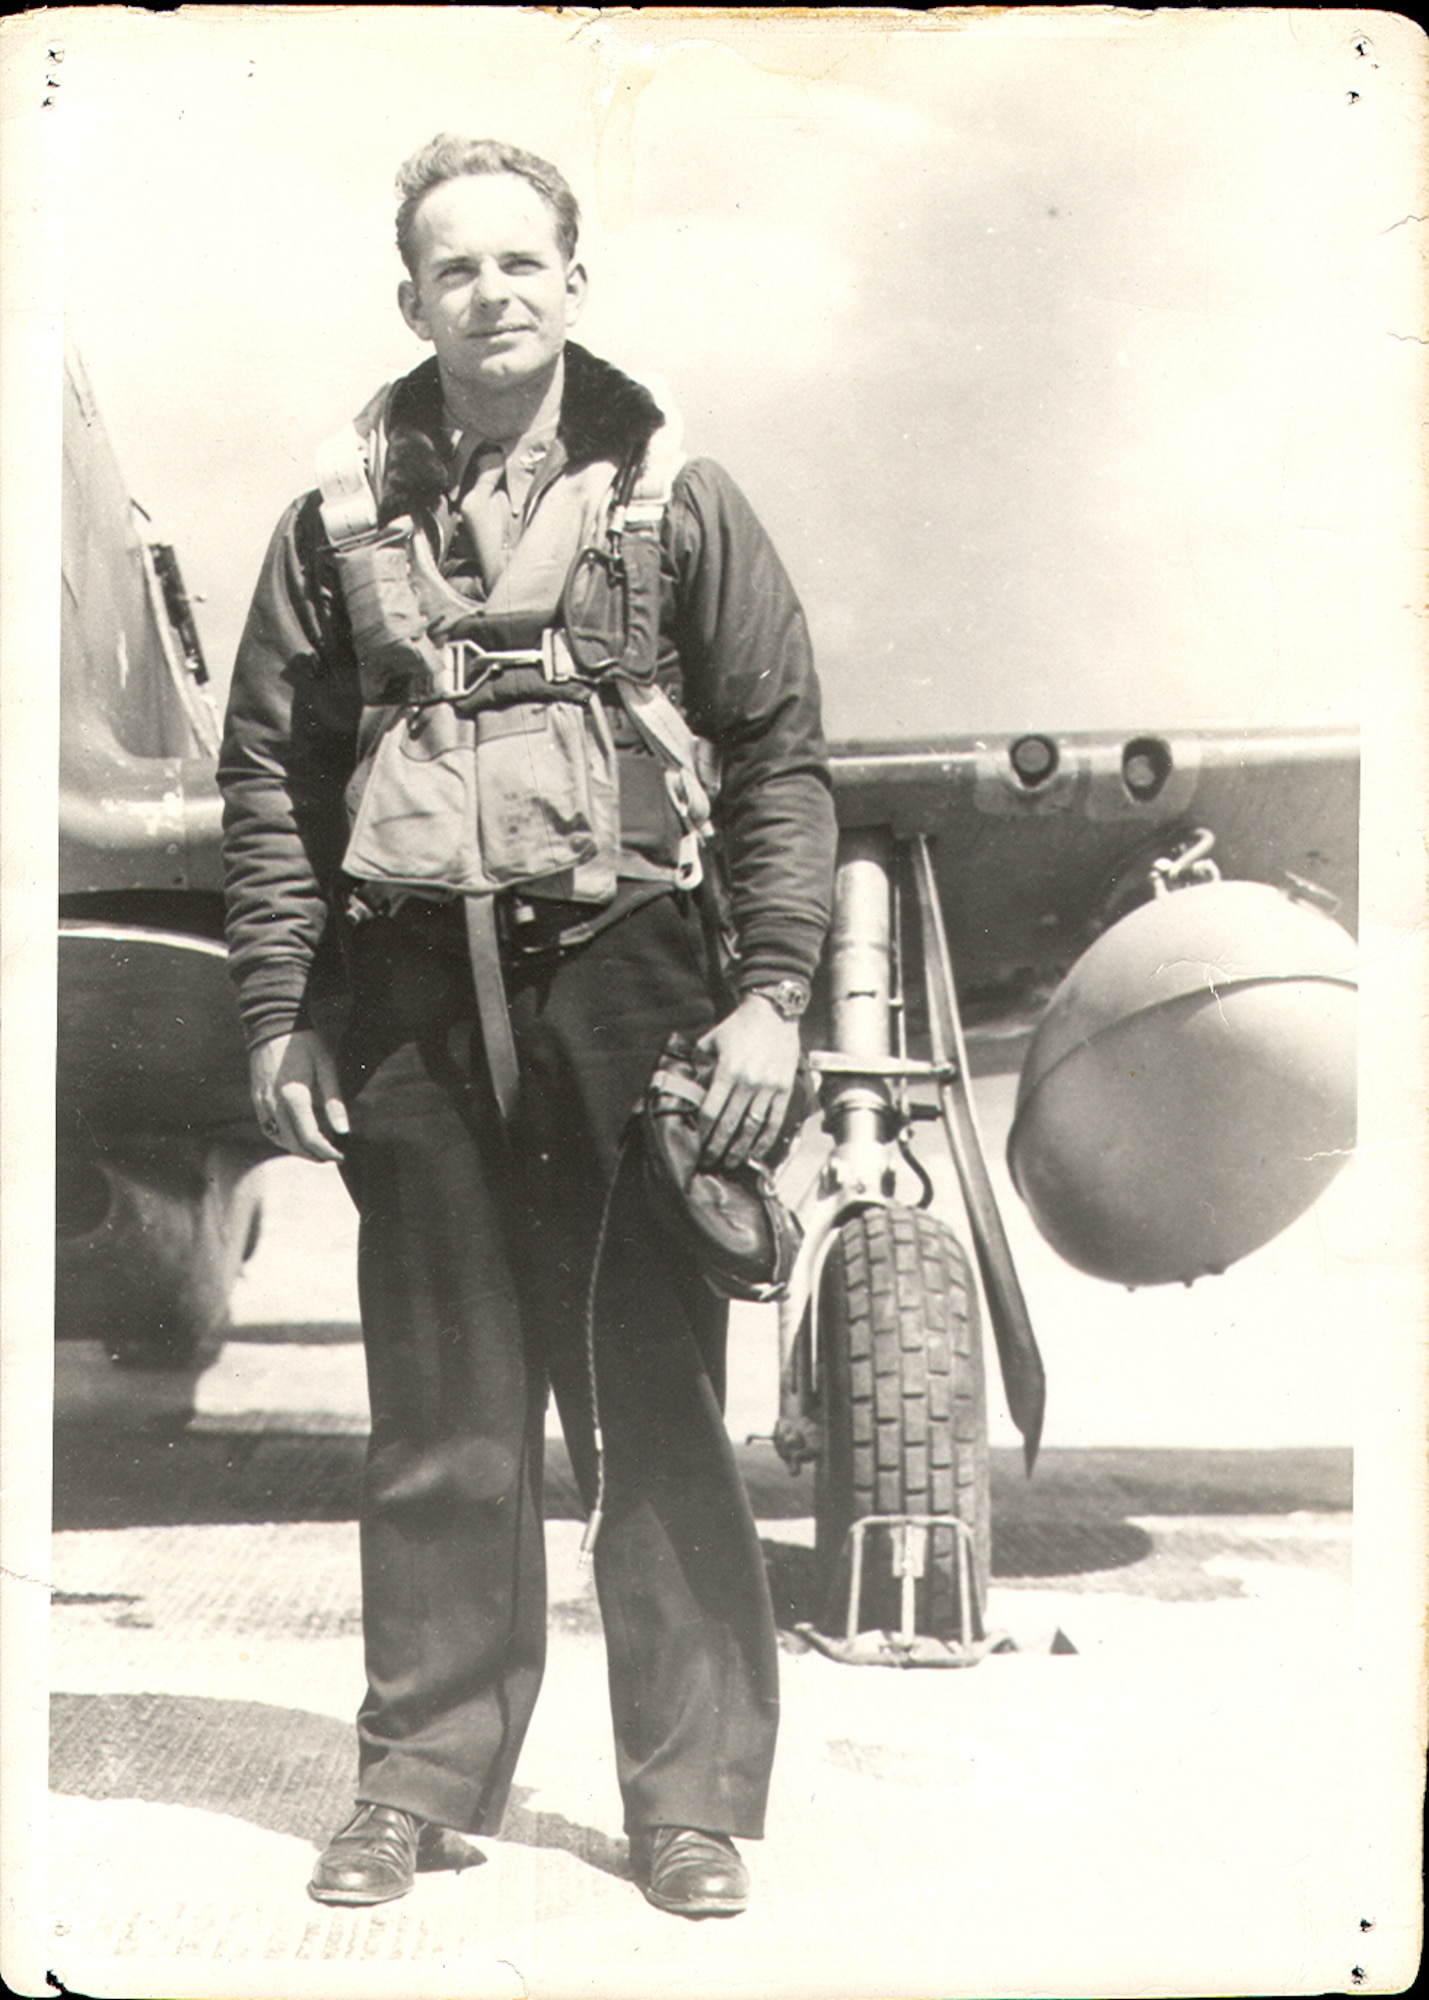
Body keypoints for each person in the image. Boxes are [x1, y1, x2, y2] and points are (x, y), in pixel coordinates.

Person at [218, 135, 836, 1922]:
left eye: (520, 263)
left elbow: (781, 757)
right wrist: (282, 1007)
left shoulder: (681, 504)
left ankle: (687, 1802)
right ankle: (414, 1779)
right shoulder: (330, 529)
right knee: (440, 1419)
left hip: (633, 989)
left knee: (650, 1411)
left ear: (575, 281)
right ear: (408, 299)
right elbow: (271, 777)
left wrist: (771, 998)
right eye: (452, 268)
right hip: (411, 997)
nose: (490, 293)